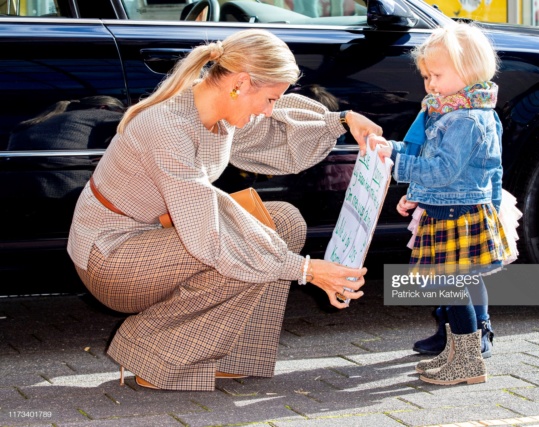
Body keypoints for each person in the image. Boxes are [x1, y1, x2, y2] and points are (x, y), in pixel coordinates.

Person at [67, 29, 382, 391]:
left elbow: (274, 135)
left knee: (283, 223)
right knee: (239, 249)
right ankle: (155, 359)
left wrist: (341, 121)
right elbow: (210, 236)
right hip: (110, 258)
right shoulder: (168, 127)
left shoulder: (213, 109)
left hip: (154, 237)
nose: (269, 110)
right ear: (241, 83)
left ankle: (227, 355)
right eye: (269, 99)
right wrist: (307, 270)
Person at [368, 22, 511, 386]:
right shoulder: (457, 109)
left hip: (455, 212)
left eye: (437, 75)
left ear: (468, 70)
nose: (430, 84)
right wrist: (395, 151)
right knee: (455, 284)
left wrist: (399, 165)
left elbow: (443, 169)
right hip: (451, 207)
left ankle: (467, 362)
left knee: (451, 286)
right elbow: (436, 161)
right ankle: (460, 352)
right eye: (426, 76)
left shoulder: (464, 119)